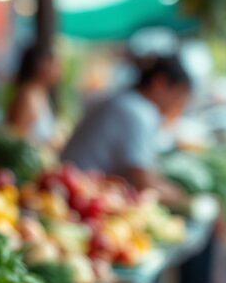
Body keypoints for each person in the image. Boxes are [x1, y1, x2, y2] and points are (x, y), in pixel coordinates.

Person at [61, 55, 192, 205]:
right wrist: (187, 200)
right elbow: (145, 185)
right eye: (179, 96)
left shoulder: (121, 99)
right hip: (76, 197)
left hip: (71, 190)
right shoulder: (138, 111)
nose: (178, 105)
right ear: (159, 83)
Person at [6, 44, 61, 148]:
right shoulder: (26, 96)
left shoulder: (41, 94)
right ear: (41, 65)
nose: (59, 69)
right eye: (55, 63)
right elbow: (15, 138)